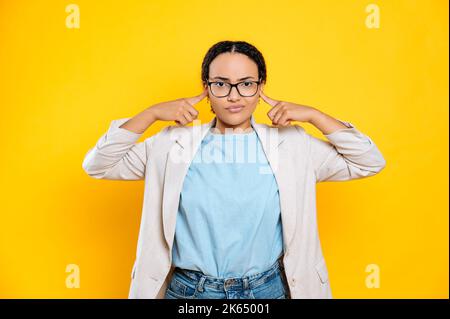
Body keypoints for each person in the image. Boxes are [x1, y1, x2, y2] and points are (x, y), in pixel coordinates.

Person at [82, 40, 386, 299]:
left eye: (246, 84)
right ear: (207, 89)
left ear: (260, 87)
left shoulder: (293, 145)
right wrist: (150, 115)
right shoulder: (170, 144)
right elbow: (98, 164)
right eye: (221, 84)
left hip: (267, 291)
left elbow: (368, 160)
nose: (234, 95)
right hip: (191, 293)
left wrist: (314, 116)